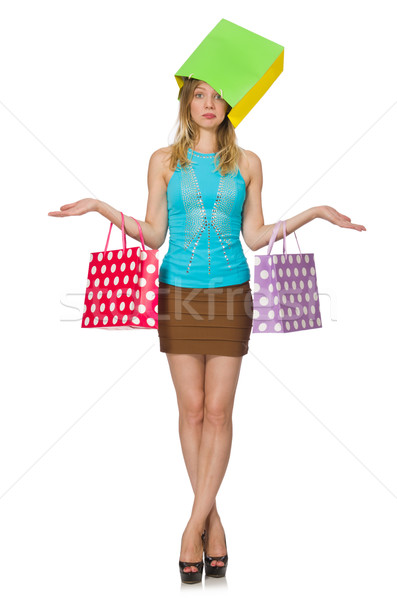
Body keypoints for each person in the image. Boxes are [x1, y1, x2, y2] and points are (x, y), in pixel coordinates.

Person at [48, 77, 366, 583]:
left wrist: (317, 213)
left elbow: (257, 238)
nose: (209, 103)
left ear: (230, 104)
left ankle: (190, 527)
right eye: (199, 95)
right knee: (191, 412)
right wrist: (98, 207)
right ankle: (213, 526)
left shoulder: (248, 163)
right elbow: (153, 236)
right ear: (186, 102)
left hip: (230, 297)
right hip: (178, 296)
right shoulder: (163, 160)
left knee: (218, 413)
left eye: (218, 95)